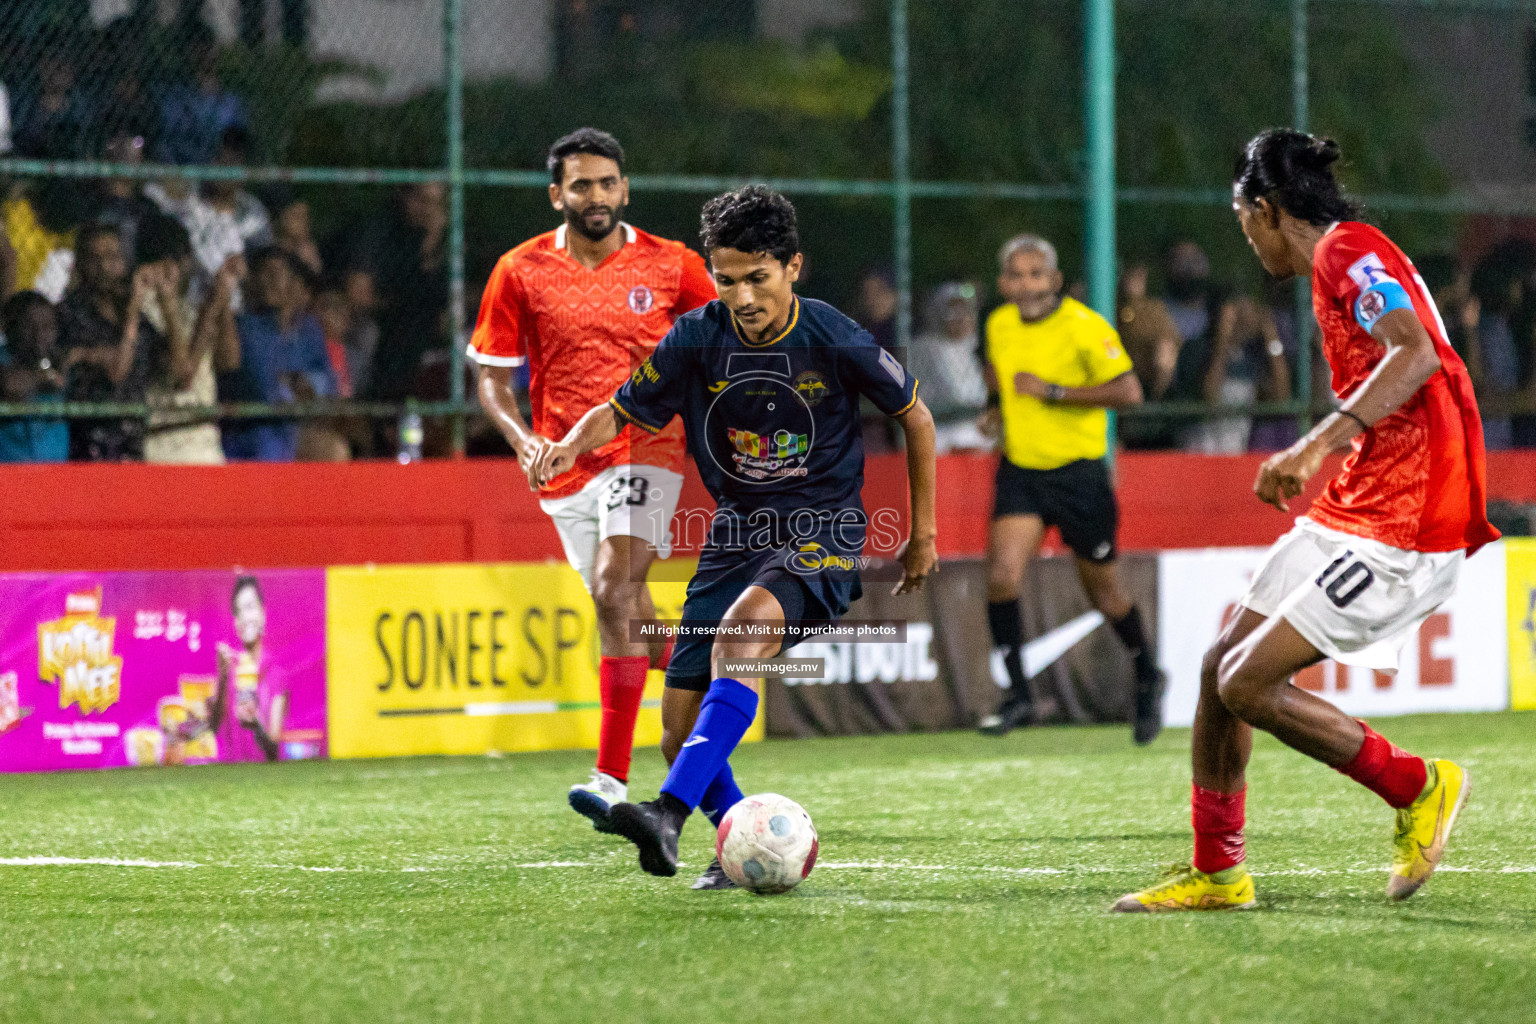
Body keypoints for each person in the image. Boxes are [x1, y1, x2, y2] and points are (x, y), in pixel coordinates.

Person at [1114, 130, 1495, 913]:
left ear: (1265, 208)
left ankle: (1419, 785)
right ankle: (1219, 874)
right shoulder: (1345, 259)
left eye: (1241, 219)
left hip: (1409, 513)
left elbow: (1416, 353)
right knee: (1222, 668)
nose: (1243, 237)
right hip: (1363, 497)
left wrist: (1316, 442)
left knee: (1246, 680)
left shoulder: (1342, 252)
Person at [531, 185, 938, 887]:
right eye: (726, 279)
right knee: (677, 730)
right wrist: (569, 443)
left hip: (822, 528)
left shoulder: (832, 334)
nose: (743, 296)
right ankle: (736, 841)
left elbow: (917, 417)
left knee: (740, 636)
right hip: (734, 534)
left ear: (793, 268)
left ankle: (665, 816)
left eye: (759, 277)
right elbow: (623, 407)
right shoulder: (696, 336)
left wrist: (922, 534)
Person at [470, 128, 717, 830]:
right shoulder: (519, 270)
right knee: (630, 615)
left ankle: (609, 779)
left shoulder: (673, 266)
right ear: (558, 195)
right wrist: (524, 441)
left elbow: (722, 339)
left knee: (613, 589)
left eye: (608, 183)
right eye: (582, 185)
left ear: (626, 190)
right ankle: (715, 675)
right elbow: (492, 379)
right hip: (562, 467)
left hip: (648, 449)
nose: (597, 196)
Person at [976, 234, 1164, 744]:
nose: (1026, 284)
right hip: (1022, 470)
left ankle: (1147, 673)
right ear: (1003, 283)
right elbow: (1000, 377)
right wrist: (995, 410)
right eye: (1016, 274)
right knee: (1001, 577)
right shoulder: (998, 323)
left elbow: (1129, 392)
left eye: (1036, 274)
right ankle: (1018, 695)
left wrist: (1054, 393)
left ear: (1054, 280)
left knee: (1104, 594)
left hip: (1079, 476)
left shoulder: (1083, 325)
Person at [218, 246, 336, 461]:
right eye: (262, 274)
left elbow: (327, 383)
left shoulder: (309, 330)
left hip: (295, 429)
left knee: (333, 449)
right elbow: (261, 386)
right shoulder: (246, 327)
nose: (267, 281)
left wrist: (304, 383)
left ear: (295, 284)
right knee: (268, 447)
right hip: (250, 433)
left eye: (276, 274)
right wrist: (293, 386)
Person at [137, 213, 238, 464]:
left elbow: (229, 362)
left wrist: (223, 305)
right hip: (164, 450)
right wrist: (210, 311)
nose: (188, 269)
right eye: (184, 260)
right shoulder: (141, 312)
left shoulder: (188, 309)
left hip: (205, 445)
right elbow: (183, 375)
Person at [56, 223, 159, 461]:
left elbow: (176, 369)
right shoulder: (69, 314)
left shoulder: (137, 316)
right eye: (94, 258)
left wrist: (166, 298)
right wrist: (134, 307)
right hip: (91, 444)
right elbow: (117, 371)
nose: (103, 266)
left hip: (134, 443)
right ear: (81, 264)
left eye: (112, 257)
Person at [146, 127, 271, 306]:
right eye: (219, 159)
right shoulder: (190, 197)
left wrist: (246, 271)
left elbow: (263, 260)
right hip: (188, 299)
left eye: (231, 164)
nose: (221, 168)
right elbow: (155, 189)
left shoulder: (252, 213)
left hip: (234, 304)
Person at [904, 281, 990, 452]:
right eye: (951, 311)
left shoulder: (981, 345)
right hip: (940, 430)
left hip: (977, 428)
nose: (960, 318)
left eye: (965, 311)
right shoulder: (923, 348)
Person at [209, 575, 286, 762]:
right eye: (239, 611)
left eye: (250, 607)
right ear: (235, 622)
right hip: (228, 778)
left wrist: (256, 725)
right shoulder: (228, 666)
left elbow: (274, 748)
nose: (245, 617)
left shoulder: (275, 673)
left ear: (263, 614)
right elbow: (213, 726)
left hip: (265, 779)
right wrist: (223, 677)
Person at [0, 290, 69, 462]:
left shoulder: (61, 360)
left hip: (55, 475)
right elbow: (9, 386)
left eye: (47, 327)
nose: (39, 335)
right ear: (10, 328)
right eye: (29, 326)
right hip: (10, 475)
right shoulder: (4, 359)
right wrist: (43, 377)